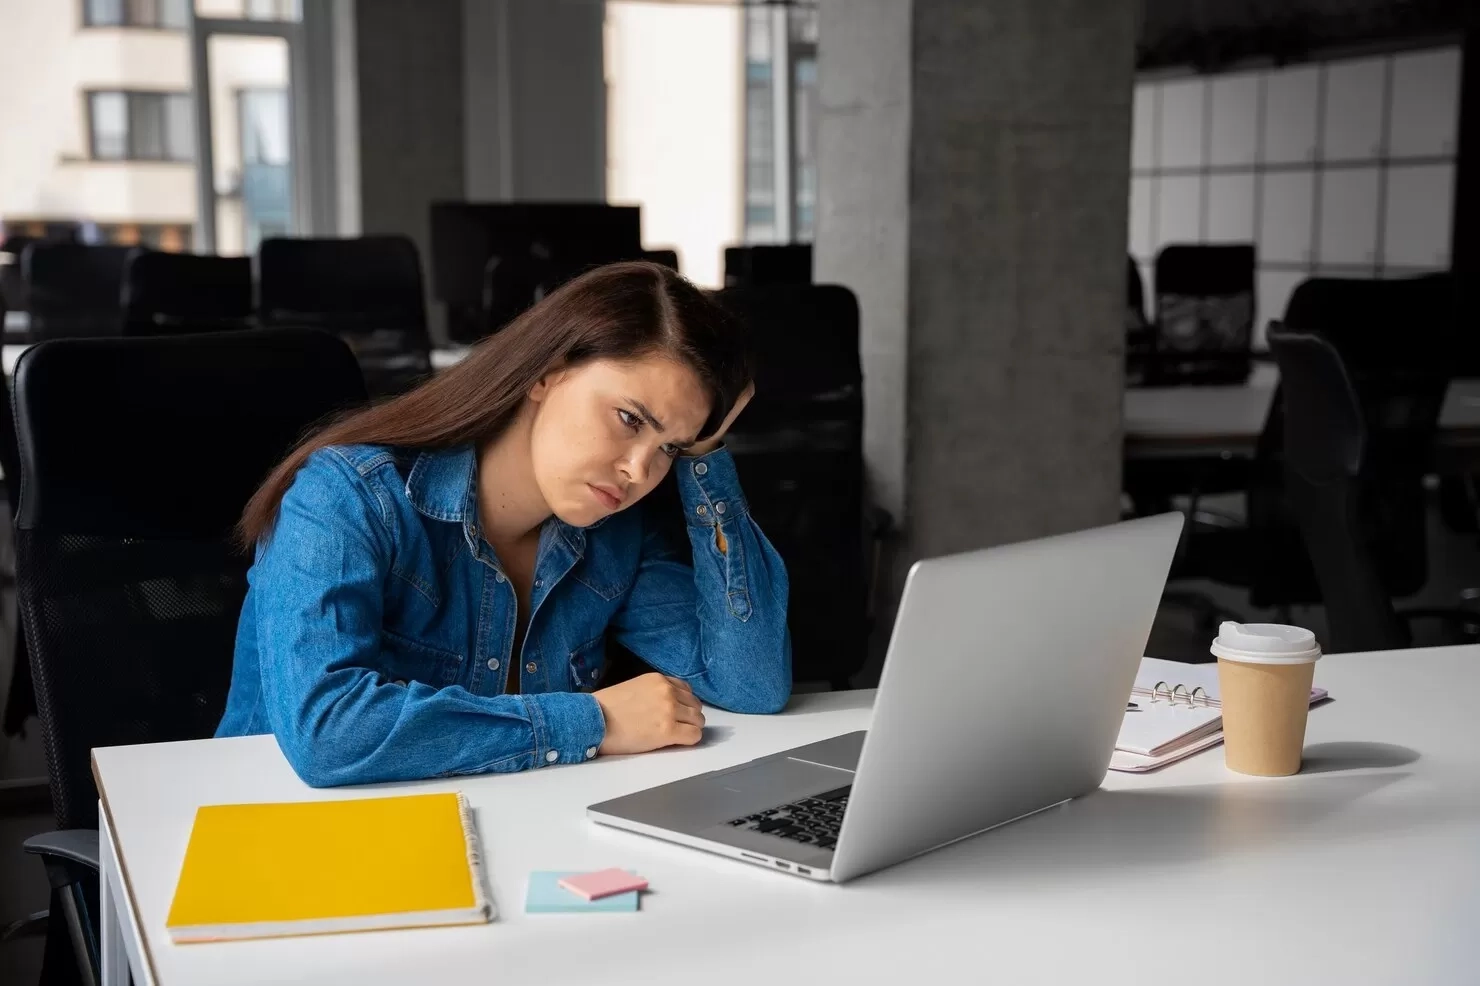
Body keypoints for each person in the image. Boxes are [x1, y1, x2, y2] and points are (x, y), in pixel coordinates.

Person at [217, 261, 791, 786]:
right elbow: (329, 733)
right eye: (628, 419)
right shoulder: (349, 496)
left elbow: (750, 683)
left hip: (489, 833)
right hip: (277, 840)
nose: (638, 469)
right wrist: (596, 721)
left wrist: (707, 458)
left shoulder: (615, 535)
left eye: (670, 449)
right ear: (545, 374)